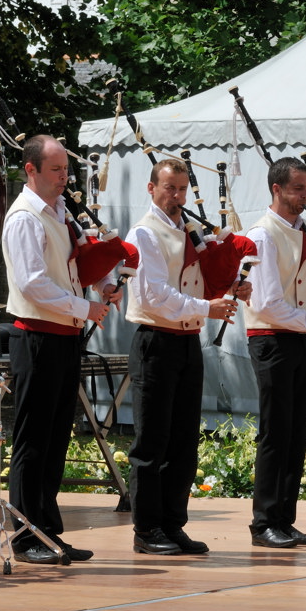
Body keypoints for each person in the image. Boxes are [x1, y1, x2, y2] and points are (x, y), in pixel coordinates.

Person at [2, 135, 121, 564]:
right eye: (55, 170)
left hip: (63, 336)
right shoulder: (24, 217)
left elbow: (73, 264)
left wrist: (105, 285)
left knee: (55, 439)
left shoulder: (59, 212)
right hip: (36, 336)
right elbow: (33, 283)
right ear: (30, 170)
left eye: (65, 170)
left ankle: (48, 531)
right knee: (32, 440)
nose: (63, 178)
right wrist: (84, 307)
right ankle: (25, 536)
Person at [124, 158, 249, 555]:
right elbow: (153, 295)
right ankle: (146, 529)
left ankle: (172, 524)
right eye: (169, 188)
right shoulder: (145, 233)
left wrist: (231, 291)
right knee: (153, 440)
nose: (177, 197)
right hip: (155, 342)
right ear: (151, 189)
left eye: (181, 189)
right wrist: (206, 307)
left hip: (186, 340)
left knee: (183, 440)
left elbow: (199, 284)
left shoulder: (187, 231)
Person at [243, 156, 306, 549]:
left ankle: (284, 520)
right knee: (275, 432)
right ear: (276, 189)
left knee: (296, 431)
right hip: (270, 338)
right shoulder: (263, 235)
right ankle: (263, 523)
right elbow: (267, 303)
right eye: (297, 188)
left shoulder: (301, 228)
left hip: (298, 336)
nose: (305, 195)